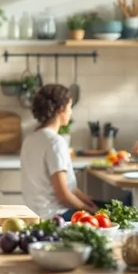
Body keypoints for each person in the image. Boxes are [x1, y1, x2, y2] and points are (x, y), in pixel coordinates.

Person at [20, 84, 106, 220]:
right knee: (112, 212)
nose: (70, 112)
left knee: (105, 206)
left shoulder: (30, 139)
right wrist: (89, 210)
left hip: (37, 213)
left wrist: (86, 200)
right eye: (70, 107)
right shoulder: (55, 142)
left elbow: (65, 186)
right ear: (61, 109)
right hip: (57, 215)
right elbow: (63, 195)